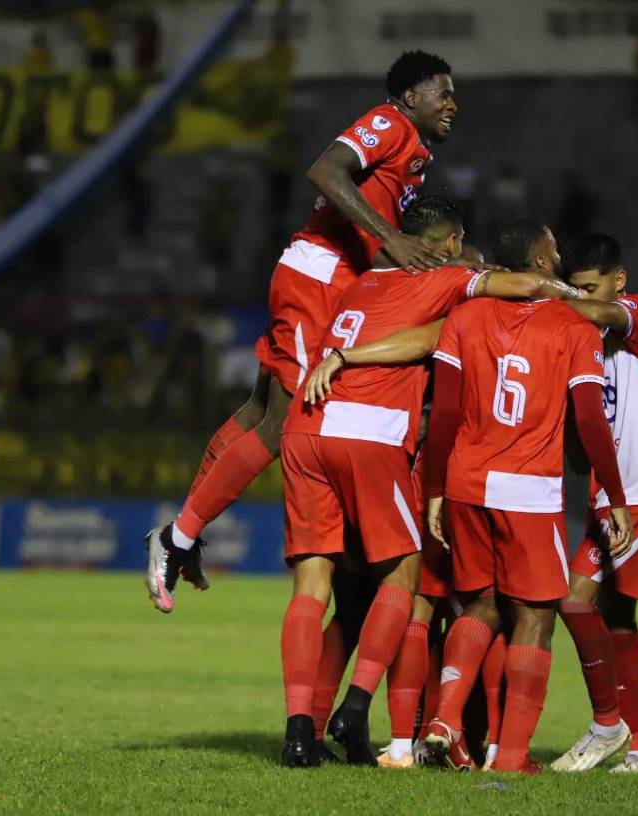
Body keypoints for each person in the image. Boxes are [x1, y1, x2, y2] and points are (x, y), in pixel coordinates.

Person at [144, 50, 458, 613]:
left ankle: (186, 533)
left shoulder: (416, 153)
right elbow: (325, 169)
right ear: (412, 97)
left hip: (322, 282)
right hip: (320, 279)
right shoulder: (388, 122)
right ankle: (178, 537)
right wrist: (392, 237)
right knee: (288, 425)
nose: (452, 103)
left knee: (256, 412)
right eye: (443, 93)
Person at [277, 196, 582, 768]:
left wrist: (339, 355)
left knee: (317, 589)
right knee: (413, 585)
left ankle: (301, 730)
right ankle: (362, 709)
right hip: (374, 434)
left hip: (305, 426)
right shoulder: (448, 280)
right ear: (449, 244)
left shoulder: (361, 282)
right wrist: (573, 298)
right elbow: (517, 289)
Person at [417, 221, 632, 775]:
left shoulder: (464, 317)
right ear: (539, 261)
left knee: (481, 605)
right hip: (528, 488)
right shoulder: (572, 325)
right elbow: (588, 416)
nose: (559, 253)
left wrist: (436, 487)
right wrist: (614, 491)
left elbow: (442, 414)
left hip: (465, 480)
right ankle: (508, 758)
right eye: (554, 248)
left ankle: (442, 719)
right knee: (534, 619)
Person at [550, 233, 638, 775]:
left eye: (590, 287)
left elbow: (605, 314)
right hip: (610, 494)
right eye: (575, 288)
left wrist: (544, 295)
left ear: (617, 281)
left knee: (576, 601)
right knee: (615, 616)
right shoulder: (592, 343)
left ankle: (609, 725)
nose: (583, 298)